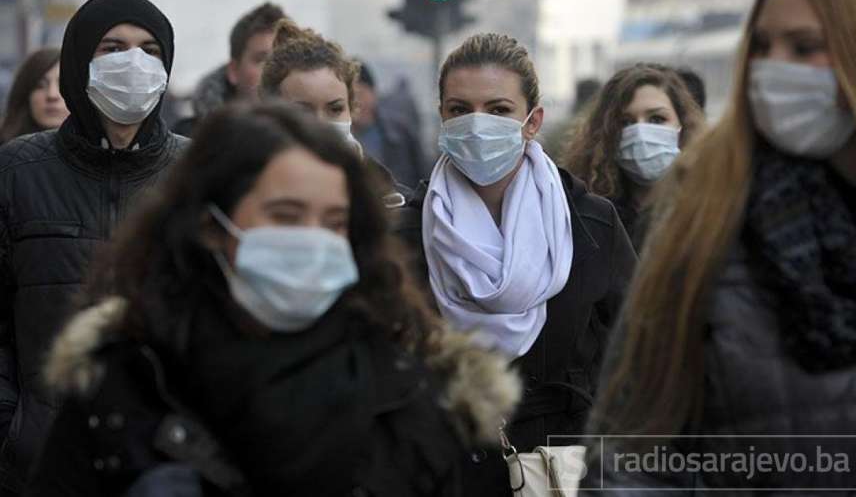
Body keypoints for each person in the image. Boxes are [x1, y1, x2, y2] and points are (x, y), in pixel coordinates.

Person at [26, 101, 520, 496]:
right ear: (212, 227)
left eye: (334, 224)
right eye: (285, 216)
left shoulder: (415, 393)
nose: (314, 241)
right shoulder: (127, 386)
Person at [584, 0, 856, 492]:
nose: (771, 68)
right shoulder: (706, 218)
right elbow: (630, 452)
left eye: (804, 47)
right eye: (760, 46)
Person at [394, 33, 637, 495]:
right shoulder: (407, 236)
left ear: (532, 121)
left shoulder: (588, 223)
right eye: (459, 109)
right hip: (451, 473)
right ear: (441, 118)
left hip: (566, 473)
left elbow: (637, 355)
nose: (477, 124)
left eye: (499, 109)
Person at [0, 0, 187, 494]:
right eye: (113, 47)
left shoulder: (195, 174)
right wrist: (10, 430)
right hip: (40, 461)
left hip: (163, 461)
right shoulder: (17, 171)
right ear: (81, 58)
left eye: (150, 50)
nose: (134, 62)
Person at [260, 19, 408, 204]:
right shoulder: (239, 201)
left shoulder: (395, 204)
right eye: (303, 111)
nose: (321, 123)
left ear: (351, 109)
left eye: (335, 109)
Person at [561, 63, 705, 247]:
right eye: (626, 122)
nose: (640, 132)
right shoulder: (585, 219)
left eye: (657, 119)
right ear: (606, 134)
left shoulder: (709, 212)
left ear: (682, 126)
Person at [172, 2, 286, 135]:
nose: (276, 71)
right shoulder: (188, 144)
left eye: (284, 58)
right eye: (262, 60)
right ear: (234, 71)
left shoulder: (312, 139)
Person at [352, 60, 430, 188]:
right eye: (351, 97)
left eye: (361, 94)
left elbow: (423, 173)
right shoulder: (339, 138)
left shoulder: (401, 131)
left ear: (374, 93)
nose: (357, 103)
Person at [0, 48, 69, 143]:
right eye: (40, 85)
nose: (52, 95)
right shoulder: (5, 152)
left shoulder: (94, 154)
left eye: (63, 85)